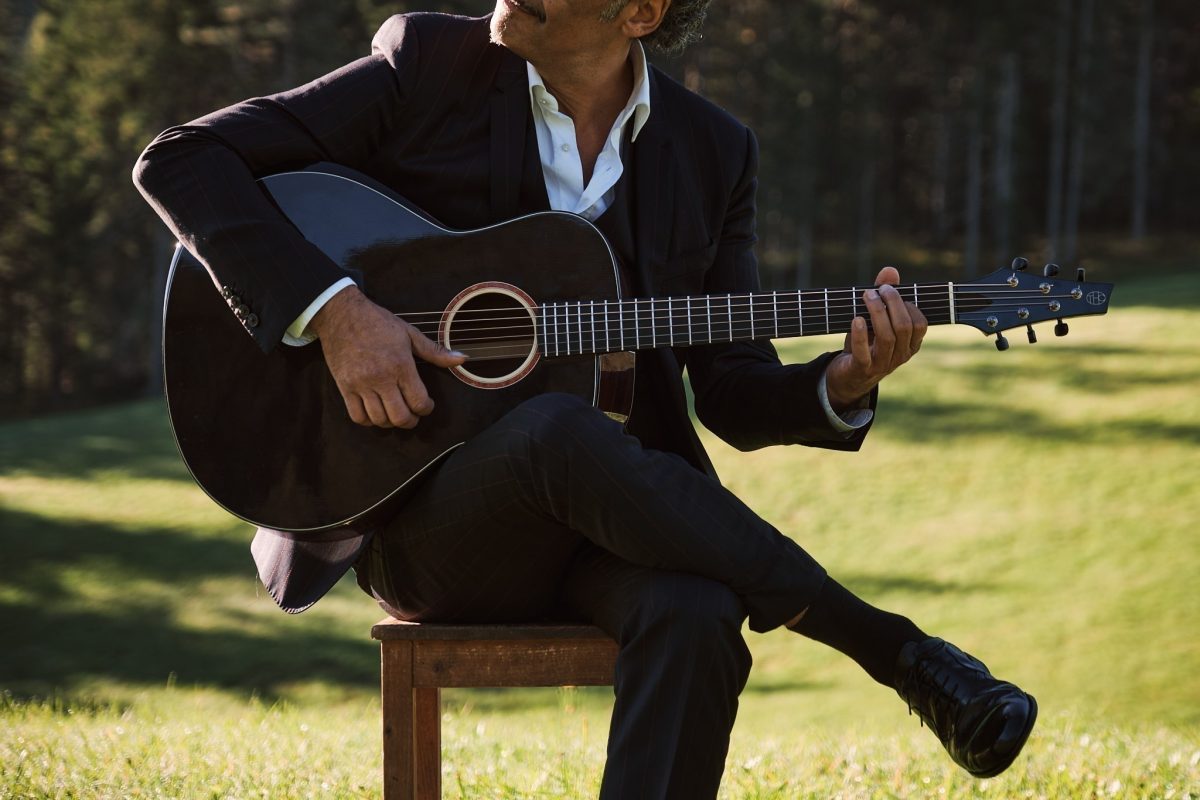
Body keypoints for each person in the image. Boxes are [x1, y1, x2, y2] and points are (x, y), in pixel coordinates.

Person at [133, 1, 1037, 796]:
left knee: (696, 614)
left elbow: (729, 389)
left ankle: (895, 653)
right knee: (554, 431)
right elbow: (182, 158)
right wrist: (337, 314)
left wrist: (840, 384)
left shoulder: (711, 151)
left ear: (638, 12)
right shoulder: (429, 68)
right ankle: (897, 652)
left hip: (609, 530)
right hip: (423, 520)